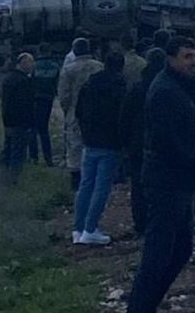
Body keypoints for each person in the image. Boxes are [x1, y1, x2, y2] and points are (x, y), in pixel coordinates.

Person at [128, 36, 195, 313]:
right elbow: (165, 139)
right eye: (187, 57)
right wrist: (190, 161)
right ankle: (140, 306)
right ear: (170, 59)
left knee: (180, 249)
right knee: (158, 254)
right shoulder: (165, 91)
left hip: (178, 182)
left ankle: (146, 304)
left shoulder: (177, 87)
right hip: (168, 183)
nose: (194, 62)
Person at [72, 52, 127, 245]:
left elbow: (78, 111)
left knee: (85, 185)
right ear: (121, 66)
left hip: (89, 140)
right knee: (101, 187)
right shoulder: (120, 86)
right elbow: (122, 115)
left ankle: (77, 229)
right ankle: (91, 228)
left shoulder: (89, 85)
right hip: (110, 143)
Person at [120, 48, 166, 236]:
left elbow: (125, 118)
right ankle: (159, 222)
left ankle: (140, 224)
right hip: (162, 145)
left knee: (138, 186)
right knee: (163, 186)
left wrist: (125, 144)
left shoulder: (137, 88)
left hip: (137, 145)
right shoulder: (167, 87)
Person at [58, 38, 103, 191]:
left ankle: (77, 185)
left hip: (75, 113)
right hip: (97, 114)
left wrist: (68, 111)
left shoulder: (68, 70)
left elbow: (63, 95)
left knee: (75, 149)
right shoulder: (99, 67)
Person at [1, 53, 36, 182]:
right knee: (18, 150)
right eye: (30, 62)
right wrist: (30, 122)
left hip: (8, 119)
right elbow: (26, 104)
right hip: (20, 121)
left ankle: (2, 174)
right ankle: (14, 178)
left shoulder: (8, 78)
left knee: (8, 148)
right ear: (23, 63)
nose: (33, 65)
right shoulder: (24, 81)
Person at [32, 44, 60, 167]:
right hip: (48, 98)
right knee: (44, 129)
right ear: (49, 51)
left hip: (35, 98)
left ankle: (34, 158)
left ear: (39, 52)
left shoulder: (33, 65)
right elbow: (57, 83)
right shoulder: (55, 65)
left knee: (33, 128)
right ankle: (48, 158)